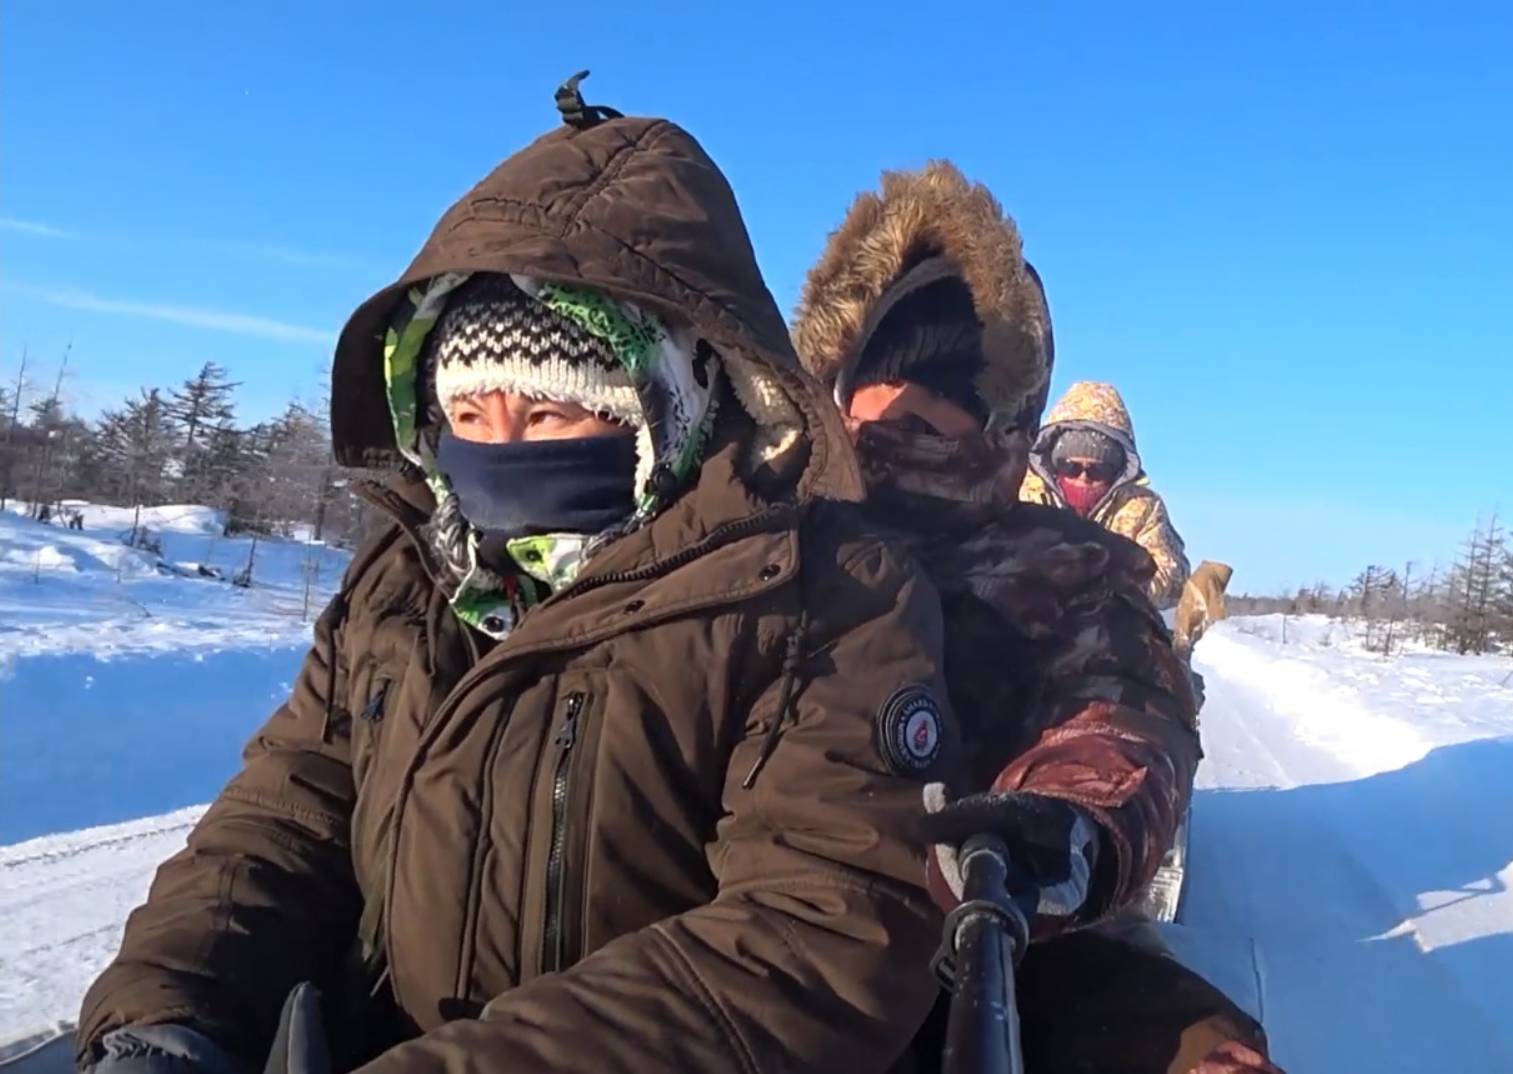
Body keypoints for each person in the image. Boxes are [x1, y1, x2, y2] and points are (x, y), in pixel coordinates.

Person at [77, 82, 960, 1074]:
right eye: (469, 415)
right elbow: (286, 817)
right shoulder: (407, 582)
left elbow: (821, 929)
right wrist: (171, 1015)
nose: (498, 454)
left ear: (666, 408)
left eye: (547, 414)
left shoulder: (824, 596)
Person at [794, 159, 1280, 1074]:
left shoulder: (1075, 566)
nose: (901, 420)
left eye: (946, 402)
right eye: (879, 390)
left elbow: (1118, 703)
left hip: (1004, 931)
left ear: (1005, 425)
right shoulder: (766, 539)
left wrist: (1059, 823)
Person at [1021, 381, 1190, 609]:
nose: (1083, 479)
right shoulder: (1022, 494)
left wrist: (1110, 584)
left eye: (1098, 470)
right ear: (1053, 464)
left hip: (1111, 618)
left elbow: (1172, 575)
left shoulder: (1142, 507)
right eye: (1070, 467)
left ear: (1116, 471)